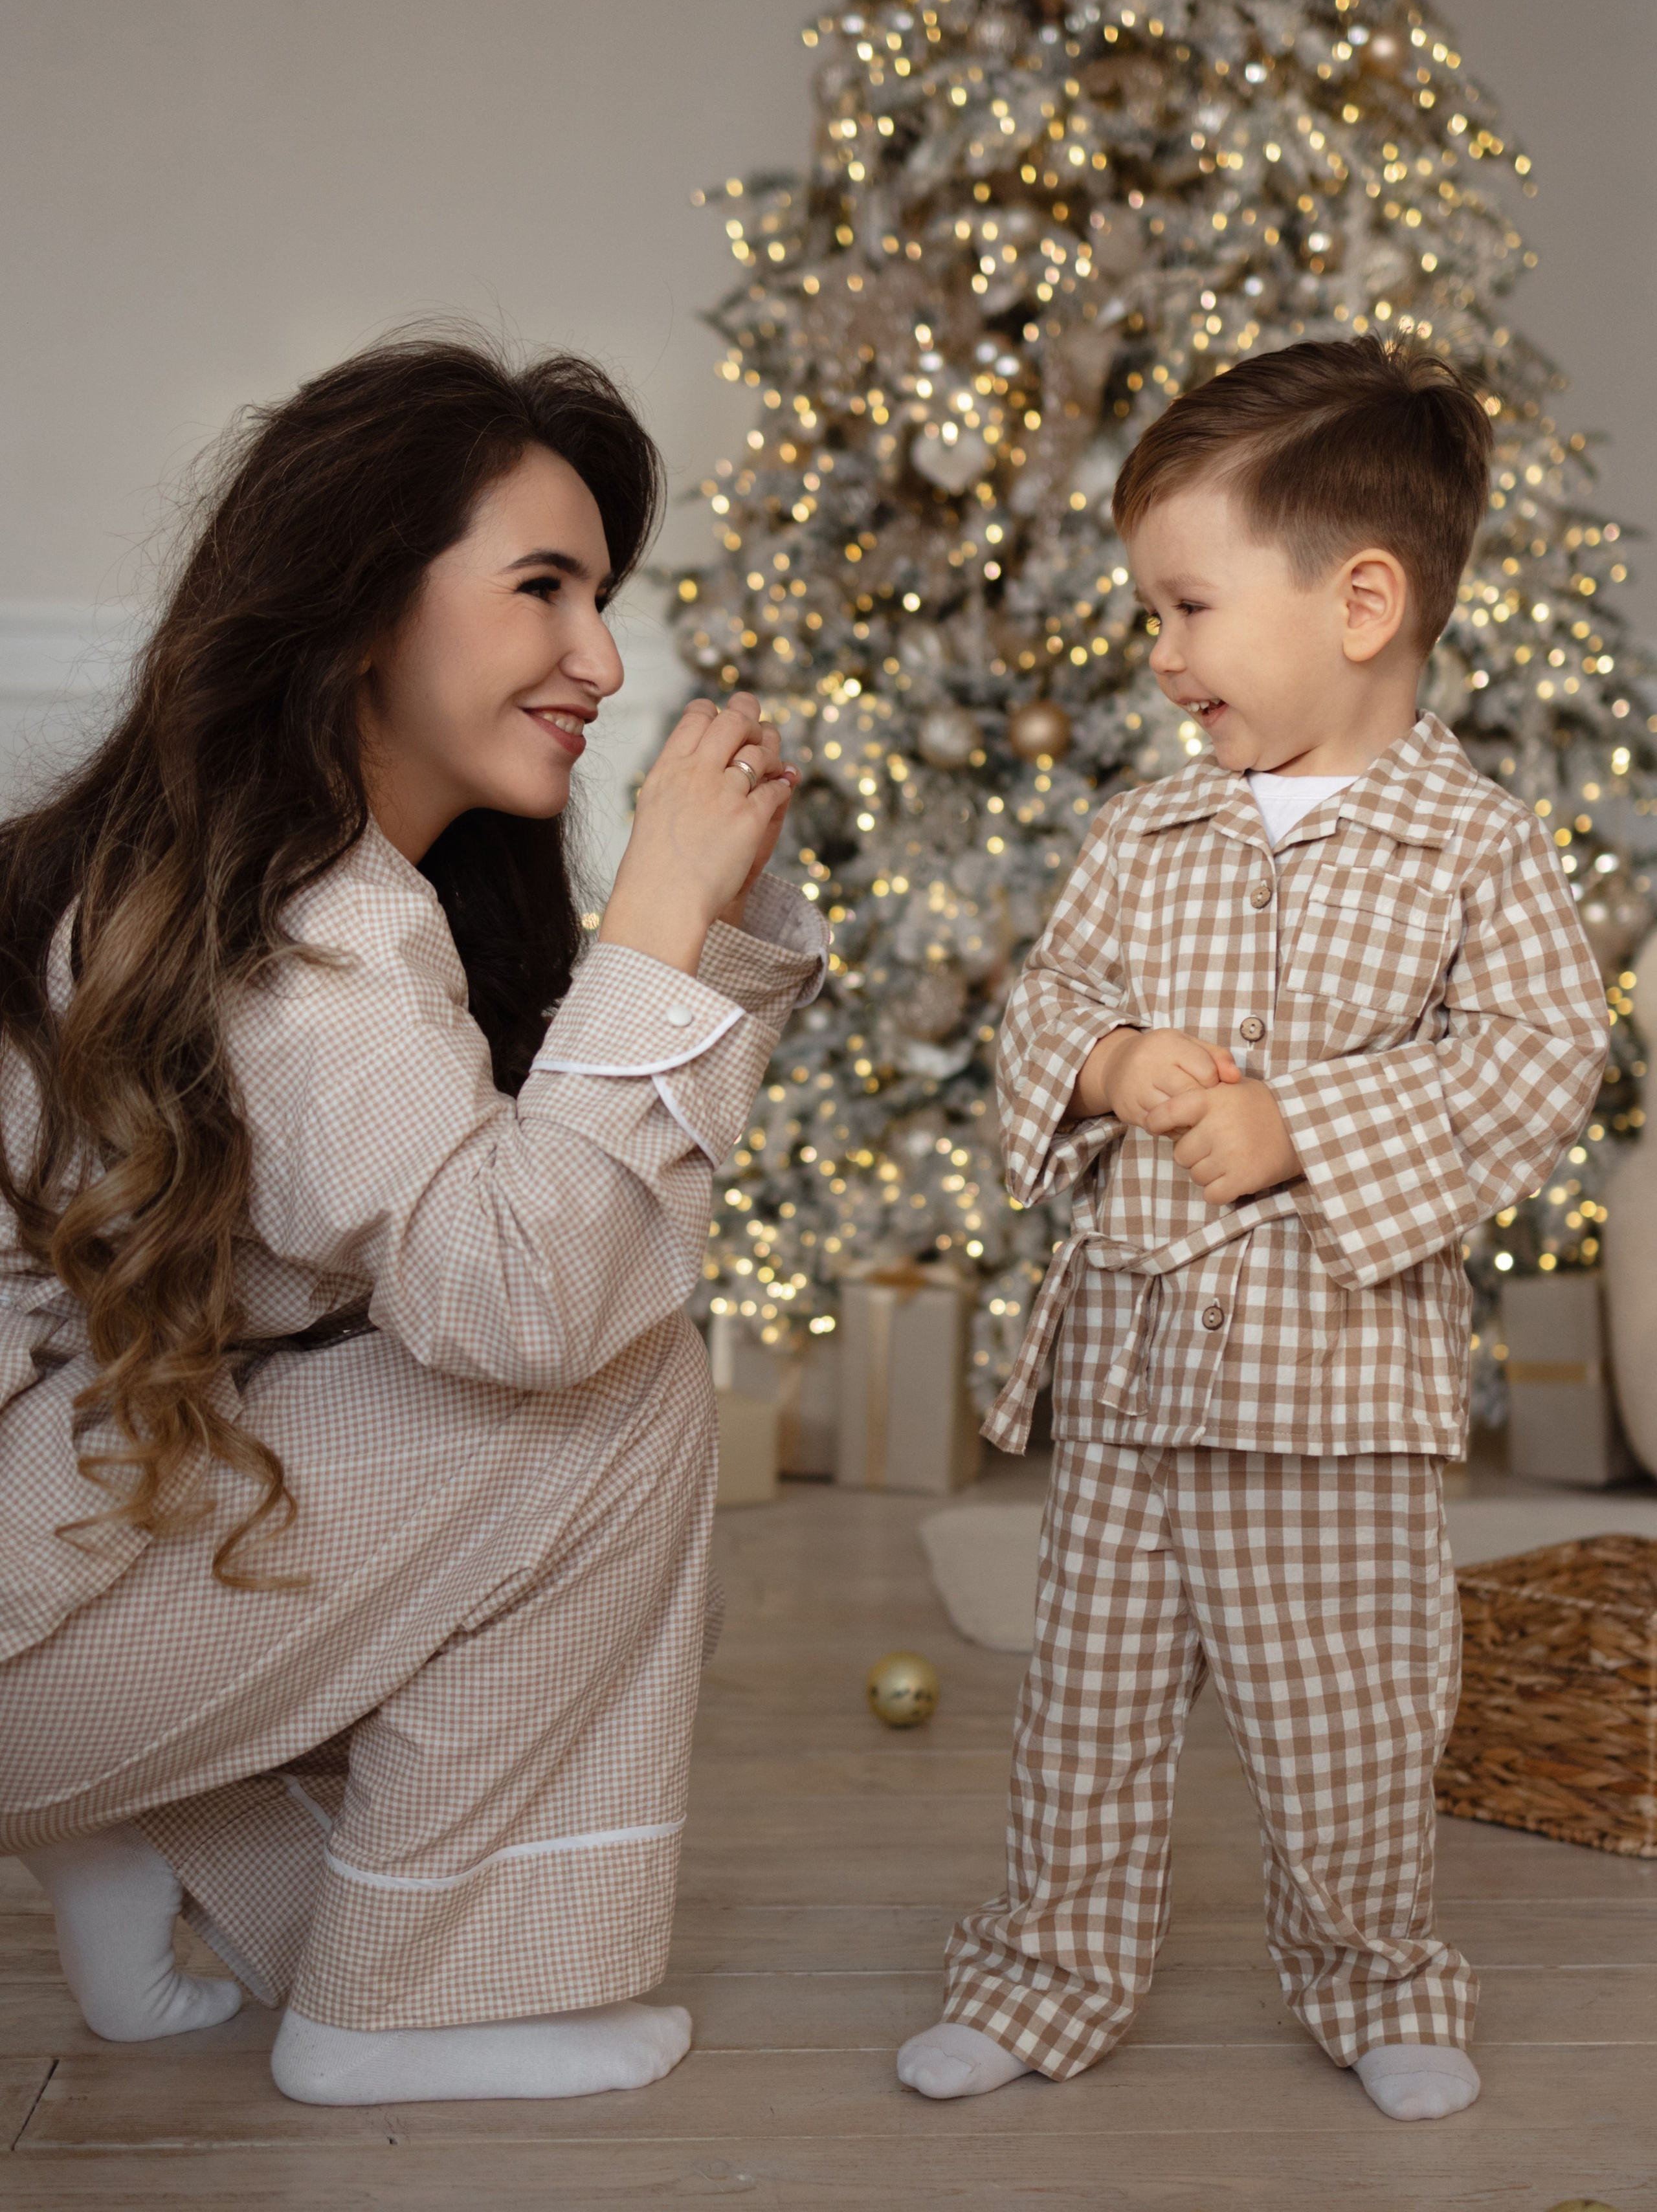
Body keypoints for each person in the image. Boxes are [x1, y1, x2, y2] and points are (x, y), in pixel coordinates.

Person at [0, 335, 826, 2107]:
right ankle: (417, 2002)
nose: (600, 660)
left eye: (602, 597)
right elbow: (531, 1297)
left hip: (44, 1564)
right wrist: (662, 919)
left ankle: (178, 1848)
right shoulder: (302, 927)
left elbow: (479, 1243)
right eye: (544, 590)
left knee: (487, 1344)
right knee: (608, 1389)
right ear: (366, 603)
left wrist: (699, 938)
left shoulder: (270, 866)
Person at [898, 337, 1607, 2121]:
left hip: (1338, 1400)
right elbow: (1041, 1002)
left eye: (1190, 605)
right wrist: (1114, 1060)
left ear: (1361, 600)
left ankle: (1379, 1978)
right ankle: (1047, 1975)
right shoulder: (1147, 833)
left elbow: (1543, 1061)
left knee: (1353, 1730)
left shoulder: (1477, 849)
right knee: (1086, 1724)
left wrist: (1307, 1125)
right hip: (1136, 1377)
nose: (1162, 651)